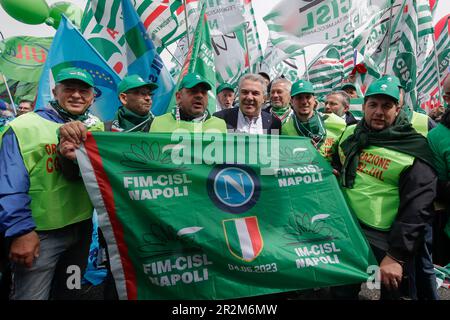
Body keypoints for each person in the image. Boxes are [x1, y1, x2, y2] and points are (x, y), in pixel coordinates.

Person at [0, 67, 103, 300]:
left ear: (92, 97)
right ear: (55, 92)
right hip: (39, 236)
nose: (77, 95)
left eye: (83, 90)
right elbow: (8, 184)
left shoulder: (95, 128)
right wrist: (21, 231)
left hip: (81, 231)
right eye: (69, 89)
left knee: (70, 294)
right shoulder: (23, 126)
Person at [334, 78, 437, 300]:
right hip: (348, 231)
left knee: (394, 296)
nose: (379, 112)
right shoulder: (350, 134)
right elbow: (338, 163)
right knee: (341, 291)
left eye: (387, 106)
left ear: (398, 109)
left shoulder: (415, 148)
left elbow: (417, 209)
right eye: (373, 105)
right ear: (363, 107)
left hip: (387, 241)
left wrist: (396, 256)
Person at [282, 80, 346, 162]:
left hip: (328, 173)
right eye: (299, 98)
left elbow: (345, 155)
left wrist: (335, 168)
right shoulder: (285, 127)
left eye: (308, 97)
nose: (304, 102)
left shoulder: (337, 123)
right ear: (291, 101)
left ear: (314, 100)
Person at [149, 72, 227, 133]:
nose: (200, 96)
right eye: (193, 91)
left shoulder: (219, 125)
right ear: (178, 97)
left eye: (203, 92)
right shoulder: (159, 123)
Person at [214, 74, 281, 134]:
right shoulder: (219, 118)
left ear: (264, 98)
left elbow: (274, 147)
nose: (249, 97)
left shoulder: (274, 124)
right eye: (245, 92)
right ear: (238, 95)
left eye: (255, 93)